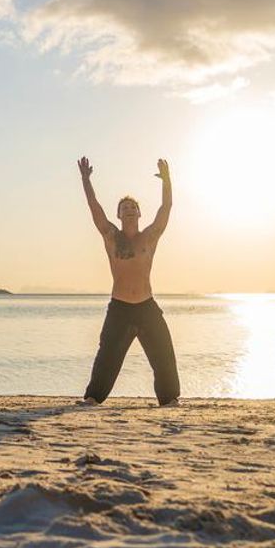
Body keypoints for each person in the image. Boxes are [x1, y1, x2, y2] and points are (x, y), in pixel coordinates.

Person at [76, 157, 180, 407]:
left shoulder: (150, 237)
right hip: (120, 308)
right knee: (107, 357)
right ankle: (93, 398)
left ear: (139, 213)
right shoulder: (111, 236)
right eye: (124, 208)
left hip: (147, 306)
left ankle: (169, 399)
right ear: (119, 215)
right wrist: (86, 180)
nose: (129, 210)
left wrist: (166, 180)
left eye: (133, 207)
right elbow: (94, 208)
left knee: (164, 353)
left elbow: (166, 208)